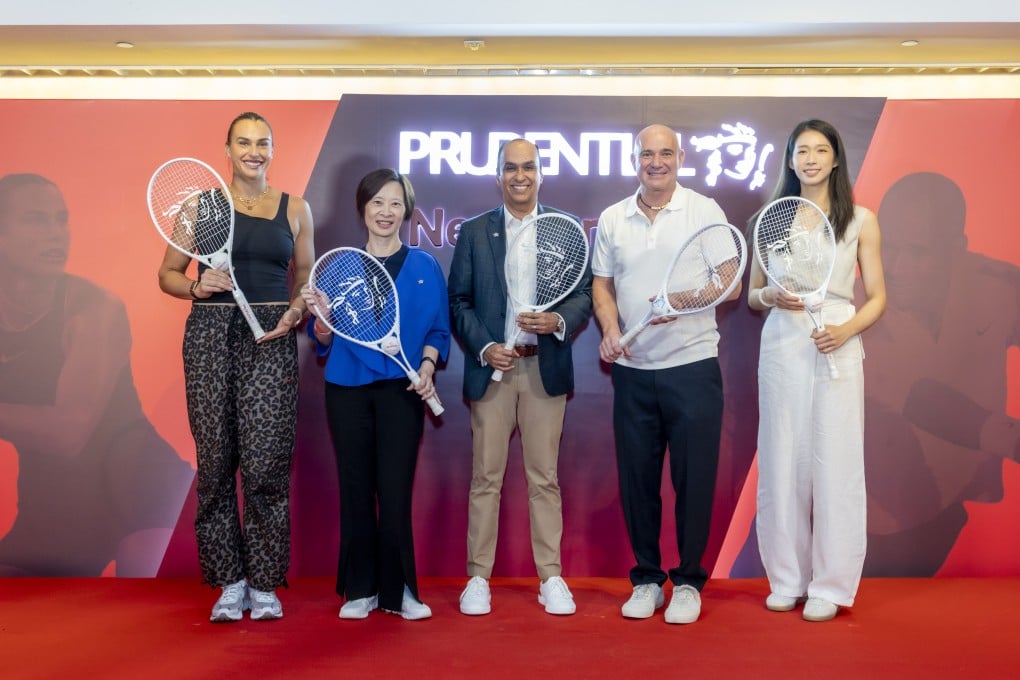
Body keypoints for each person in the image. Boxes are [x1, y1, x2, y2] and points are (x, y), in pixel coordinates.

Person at [157, 112, 315, 622]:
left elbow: (306, 275)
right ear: (226, 149)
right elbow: (167, 274)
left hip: (270, 336)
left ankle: (265, 582)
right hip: (209, 334)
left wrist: (295, 310)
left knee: (267, 466)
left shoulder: (295, 208)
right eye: (243, 142)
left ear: (273, 148)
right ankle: (229, 580)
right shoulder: (197, 206)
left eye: (263, 143)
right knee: (217, 465)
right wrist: (196, 286)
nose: (254, 151)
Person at [0, 173, 193, 577]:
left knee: (142, 626)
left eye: (61, 219)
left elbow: (68, 431)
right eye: (36, 220)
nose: (56, 233)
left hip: (139, 486)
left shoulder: (93, 308)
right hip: (52, 503)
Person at [592, 123, 740, 625]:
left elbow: (730, 285)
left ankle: (689, 582)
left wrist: (682, 301)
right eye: (647, 154)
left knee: (694, 480)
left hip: (693, 368)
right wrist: (610, 330)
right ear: (636, 158)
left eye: (665, 153)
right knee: (638, 481)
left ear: (680, 157)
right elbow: (602, 285)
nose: (656, 162)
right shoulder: (614, 217)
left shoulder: (704, 210)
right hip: (633, 372)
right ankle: (648, 579)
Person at [747, 119, 886, 621]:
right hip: (783, 341)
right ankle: (787, 578)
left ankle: (830, 584)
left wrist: (846, 331)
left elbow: (878, 298)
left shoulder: (861, 219)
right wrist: (769, 295)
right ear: (789, 160)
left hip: (836, 342)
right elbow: (752, 294)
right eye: (801, 150)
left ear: (835, 159)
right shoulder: (770, 217)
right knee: (782, 458)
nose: (810, 158)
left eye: (820, 150)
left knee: (836, 460)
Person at [448, 138, 592, 616]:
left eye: (528, 167)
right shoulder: (474, 232)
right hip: (494, 368)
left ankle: (550, 577)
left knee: (543, 479)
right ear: (498, 175)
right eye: (511, 168)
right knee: (485, 477)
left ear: (540, 173)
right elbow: (459, 302)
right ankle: (477, 578)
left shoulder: (564, 229)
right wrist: (486, 347)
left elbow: (584, 293)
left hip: (543, 367)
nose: (520, 176)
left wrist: (557, 322)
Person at [301, 169, 449, 621]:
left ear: (407, 210)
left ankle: (400, 589)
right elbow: (323, 338)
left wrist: (426, 368)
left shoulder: (424, 265)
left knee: (395, 489)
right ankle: (360, 589)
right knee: (356, 488)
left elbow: (439, 331)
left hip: (403, 391)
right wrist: (321, 323)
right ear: (363, 208)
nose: (386, 212)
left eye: (396, 204)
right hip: (346, 390)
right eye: (378, 203)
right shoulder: (340, 264)